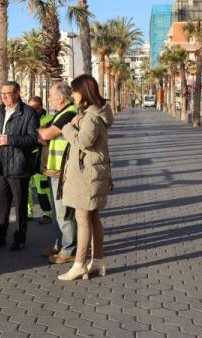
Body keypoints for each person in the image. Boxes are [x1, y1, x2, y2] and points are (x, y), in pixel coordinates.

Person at [57, 74, 114, 281]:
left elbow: (84, 141)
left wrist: (67, 127)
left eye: (74, 91)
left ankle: (79, 264)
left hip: (87, 175)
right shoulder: (96, 112)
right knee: (93, 217)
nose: (72, 95)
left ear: (84, 92)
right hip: (93, 172)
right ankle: (98, 261)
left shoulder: (91, 116)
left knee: (82, 218)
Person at [0, 81, 39, 251]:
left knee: (20, 206)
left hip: (19, 166)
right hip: (2, 165)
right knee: (0, 204)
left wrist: (10, 140)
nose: (4, 97)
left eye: (7, 93)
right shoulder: (1, 110)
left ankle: (19, 239)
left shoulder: (28, 113)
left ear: (17, 93)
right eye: (2, 94)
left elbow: (33, 139)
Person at [38, 82, 78, 264]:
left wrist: (38, 131)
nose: (49, 99)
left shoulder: (69, 112)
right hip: (55, 169)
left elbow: (47, 134)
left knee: (64, 213)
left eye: (51, 96)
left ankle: (69, 249)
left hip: (64, 170)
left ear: (61, 98)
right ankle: (59, 244)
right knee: (56, 213)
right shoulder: (61, 113)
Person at [26, 96, 53, 224]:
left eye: (36, 108)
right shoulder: (25, 119)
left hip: (40, 159)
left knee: (43, 189)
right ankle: (28, 213)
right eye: (30, 108)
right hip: (26, 159)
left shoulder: (49, 120)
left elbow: (49, 137)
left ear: (41, 106)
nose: (33, 110)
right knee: (26, 188)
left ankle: (48, 214)